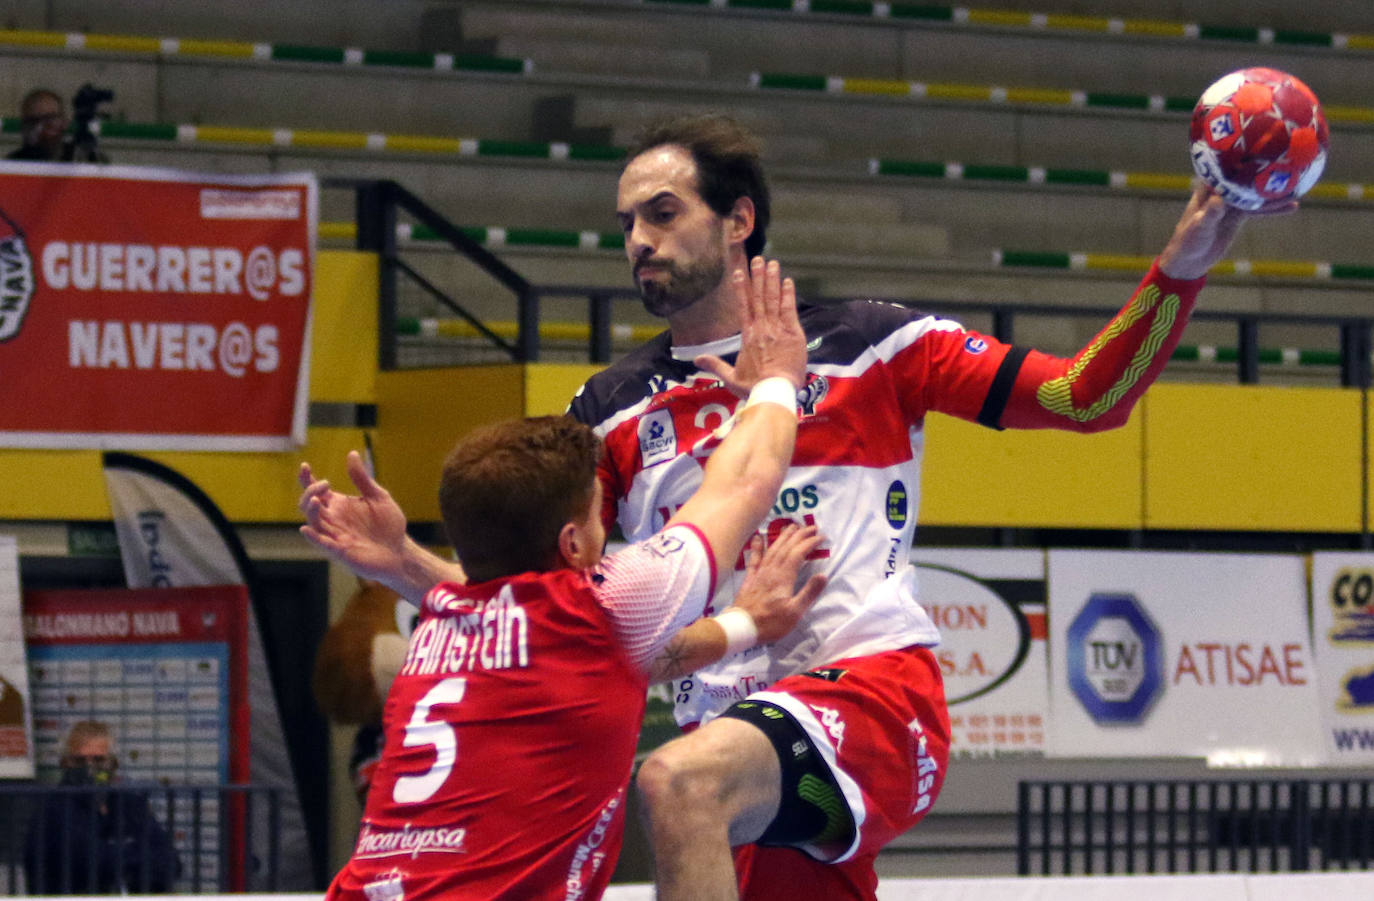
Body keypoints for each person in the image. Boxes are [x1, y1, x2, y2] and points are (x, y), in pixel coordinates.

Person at [298, 114, 1291, 900]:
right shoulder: (608, 408)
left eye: (662, 213)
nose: (637, 242)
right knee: (693, 783)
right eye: (628, 225)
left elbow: (1086, 397)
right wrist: (406, 569)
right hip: (730, 733)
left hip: (869, 693)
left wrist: (1185, 264)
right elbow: (549, 621)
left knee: (675, 785)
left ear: (738, 221)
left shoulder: (878, 343)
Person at [308, 258, 828, 900]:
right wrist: (778, 382)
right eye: (596, 508)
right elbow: (745, 483)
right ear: (573, 541)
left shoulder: (443, 616)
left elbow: (627, 660)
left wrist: (746, 624)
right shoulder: (602, 605)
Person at [24, 720, 179, 894]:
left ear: (113, 763)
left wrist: (121, 859)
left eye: (98, 760)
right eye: (79, 761)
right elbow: (95, 863)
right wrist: (139, 855)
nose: (89, 768)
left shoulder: (129, 804)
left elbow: (171, 862)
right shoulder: (53, 811)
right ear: (65, 764)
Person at [8, 89, 67, 161]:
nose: (40, 127)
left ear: (64, 122)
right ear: (23, 126)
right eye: (33, 121)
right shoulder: (13, 164)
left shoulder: (77, 162)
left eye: (49, 119)